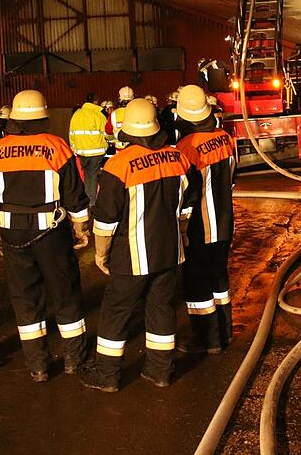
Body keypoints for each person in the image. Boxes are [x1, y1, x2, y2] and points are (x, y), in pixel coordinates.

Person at [0, 90, 93, 382]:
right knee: (65, 293)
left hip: (12, 233)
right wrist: (81, 226)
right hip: (51, 232)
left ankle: (38, 366)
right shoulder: (57, 147)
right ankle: (74, 359)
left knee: (25, 298)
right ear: (43, 117)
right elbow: (74, 195)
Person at [82, 98, 195, 392]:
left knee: (116, 312)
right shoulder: (178, 159)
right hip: (170, 253)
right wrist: (180, 235)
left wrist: (101, 253)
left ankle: (107, 374)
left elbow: (106, 218)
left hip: (131, 256)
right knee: (161, 308)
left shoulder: (118, 165)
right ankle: (160, 371)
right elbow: (186, 206)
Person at [174, 85, 236, 354]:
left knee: (197, 281)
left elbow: (187, 194)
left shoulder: (186, 147)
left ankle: (207, 340)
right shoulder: (225, 138)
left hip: (200, 226)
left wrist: (182, 226)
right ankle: (225, 331)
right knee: (219, 276)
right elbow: (233, 178)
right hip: (225, 221)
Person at [68, 93, 109, 209]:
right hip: (96, 152)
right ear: (96, 101)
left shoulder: (77, 114)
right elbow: (106, 133)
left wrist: (74, 148)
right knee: (93, 176)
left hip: (81, 151)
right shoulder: (98, 115)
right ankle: (92, 202)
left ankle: (86, 199)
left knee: (85, 176)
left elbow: (71, 133)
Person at [109, 86, 135, 152]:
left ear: (119, 99)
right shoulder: (138, 111)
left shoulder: (113, 114)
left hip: (119, 150)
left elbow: (108, 130)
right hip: (134, 148)